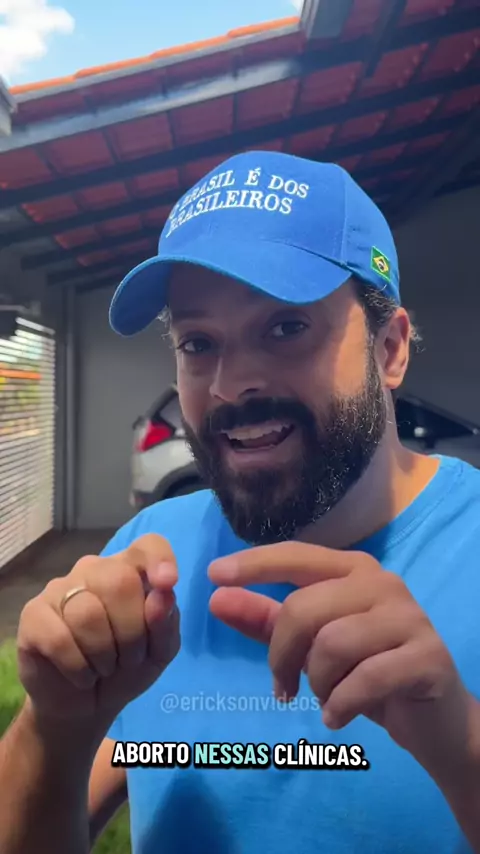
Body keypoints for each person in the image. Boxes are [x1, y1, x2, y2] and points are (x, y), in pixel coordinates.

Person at [0, 150, 479, 854]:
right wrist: (54, 729)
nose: (231, 384)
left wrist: (461, 743)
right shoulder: (150, 563)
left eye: (286, 328)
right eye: (198, 342)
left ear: (389, 349)